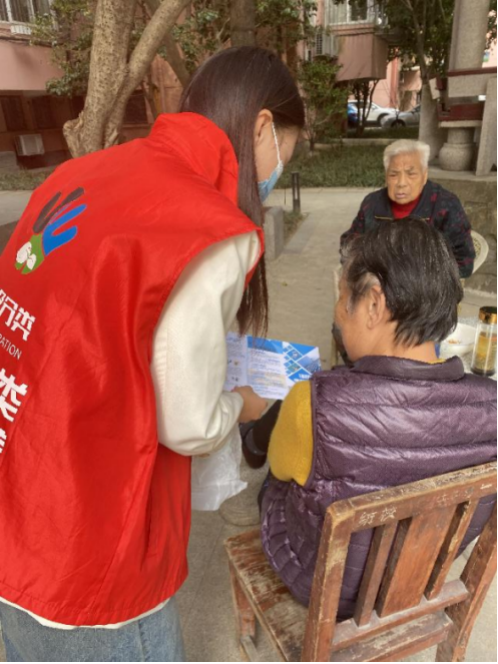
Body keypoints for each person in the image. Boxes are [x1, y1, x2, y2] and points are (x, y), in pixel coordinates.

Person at [0, 47, 304, 662]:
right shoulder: (207, 227)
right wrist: (242, 406)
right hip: (90, 548)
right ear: (264, 127)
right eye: (289, 151)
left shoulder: (79, 175)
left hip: (17, 502)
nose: (279, 170)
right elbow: (189, 424)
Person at [250, 220, 496, 619]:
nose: (338, 314)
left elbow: (280, 469)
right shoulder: (491, 405)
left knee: (275, 478)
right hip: (417, 578)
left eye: (343, 298)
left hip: (322, 585)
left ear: (374, 304)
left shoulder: (314, 401)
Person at [341, 140, 476, 279]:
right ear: (386, 176)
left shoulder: (445, 205)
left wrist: (415, 280)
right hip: (378, 282)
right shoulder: (372, 203)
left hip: (425, 286)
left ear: (424, 176)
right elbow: (350, 245)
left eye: (411, 174)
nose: (401, 183)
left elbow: (464, 263)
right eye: (393, 175)